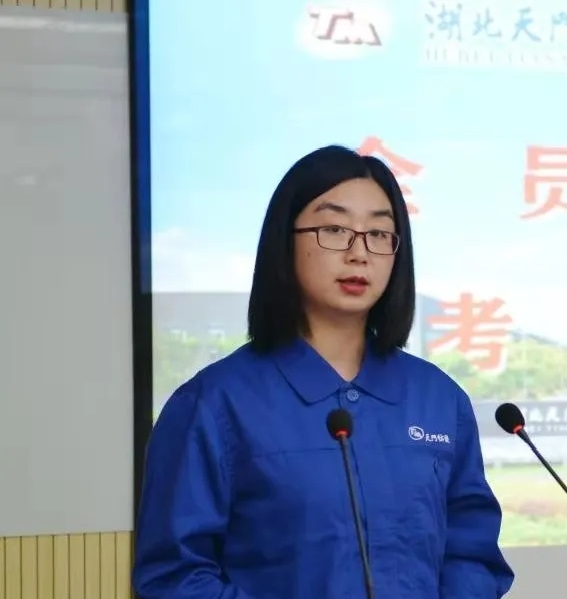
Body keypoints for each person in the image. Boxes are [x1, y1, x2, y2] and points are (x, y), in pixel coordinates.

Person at [132, 145, 515, 598]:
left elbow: (470, 553)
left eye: (379, 233)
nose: (359, 253)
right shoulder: (213, 404)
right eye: (334, 229)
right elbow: (175, 576)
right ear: (284, 241)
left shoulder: (439, 400)